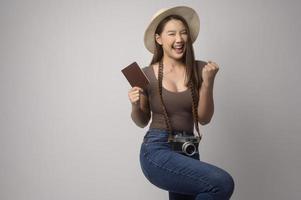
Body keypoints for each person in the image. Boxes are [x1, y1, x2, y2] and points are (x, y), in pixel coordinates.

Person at [128, 6, 235, 200]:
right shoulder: (143, 74)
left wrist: (208, 83)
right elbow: (141, 121)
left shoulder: (201, 69)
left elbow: (204, 118)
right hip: (156, 149)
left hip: (188, 146)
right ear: (159, 39)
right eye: (172, 34)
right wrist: (135, 105)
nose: (179, 39)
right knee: (222, 183)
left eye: (183, 33)